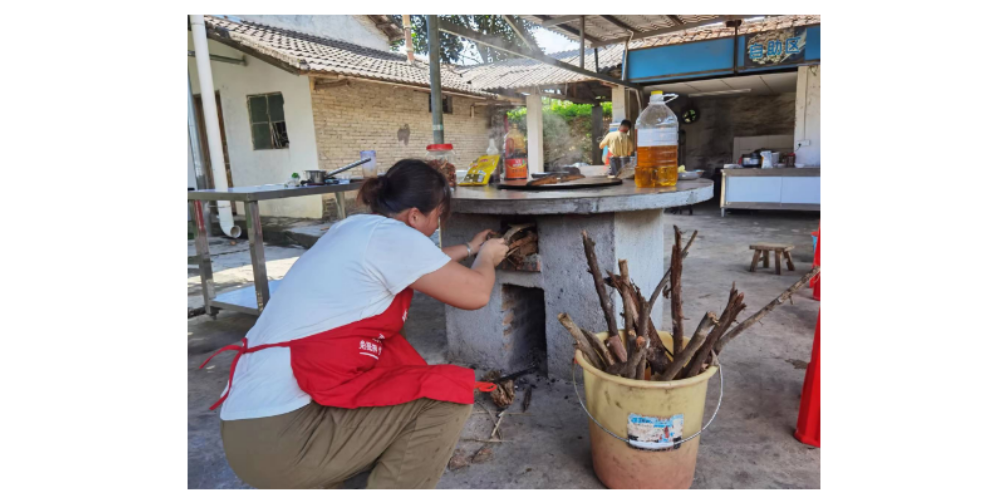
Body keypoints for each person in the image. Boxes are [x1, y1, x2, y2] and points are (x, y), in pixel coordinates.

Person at [204, 159, 510, 490]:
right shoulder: (394, 239)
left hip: (246, 432)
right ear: (415, 216)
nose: (437, 224)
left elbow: (420, 264)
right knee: (446, 397)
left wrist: (468, 248)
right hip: (284, 440)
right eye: (438, 216)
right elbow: (476, 293)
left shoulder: (354, 229)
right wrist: (486, 259)